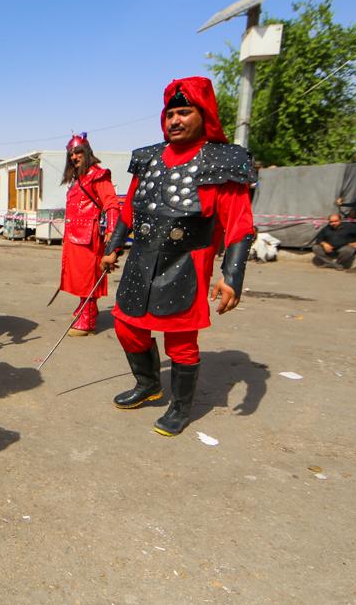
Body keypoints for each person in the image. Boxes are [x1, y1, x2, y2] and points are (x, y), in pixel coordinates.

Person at [100, 76, 255, 437]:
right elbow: (128, 211)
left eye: (184, 112)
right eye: (170, 113)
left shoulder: (224, 160)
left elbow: (240, 224)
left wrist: (232, 276)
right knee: (126, 326)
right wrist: (112, 249)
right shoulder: (147, 158)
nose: (175, 120)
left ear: (204, 115)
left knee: (180, 340)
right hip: (141, 258)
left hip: (186, 262)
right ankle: (148, 383)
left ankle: (181, 407)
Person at [56, 132, 120, 336]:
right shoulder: (79, 178)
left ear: (87, 152)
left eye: (78, 152)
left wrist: (112, 232)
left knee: (87, 277)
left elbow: (111, 203)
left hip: (88, 236)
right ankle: (84, 307)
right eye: (71, 154)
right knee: (77, 276)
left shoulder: (98, 175)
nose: (74, 157)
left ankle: (88, 318)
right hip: (75, 236)